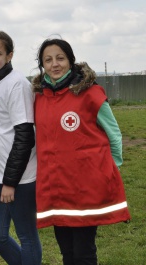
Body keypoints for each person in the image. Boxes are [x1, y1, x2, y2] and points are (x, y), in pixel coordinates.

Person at [32, 38, 131, 265]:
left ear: (70, 60)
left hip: (86, 186)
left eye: (60, 58)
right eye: (48, 60)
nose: (55, 64)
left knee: (84, 252)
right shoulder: (38, 97)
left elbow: (114, 133)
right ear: (42, 65)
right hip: (56, 186)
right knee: (67, 251)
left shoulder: (90, 93)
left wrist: (112, 168)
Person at [0, 30, 42, 265]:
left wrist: (10, 182)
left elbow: (25, 137)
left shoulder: (17, 85)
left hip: (20, 178)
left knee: (27, 236)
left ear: (10, 55)